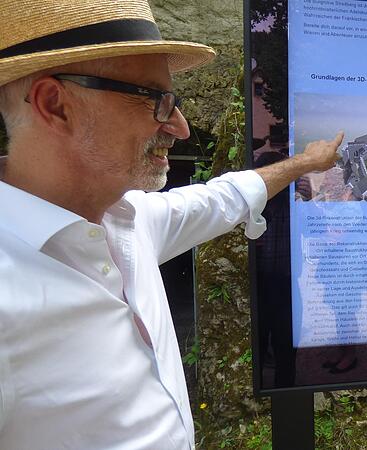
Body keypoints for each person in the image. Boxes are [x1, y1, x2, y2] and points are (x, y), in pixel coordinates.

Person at [0, 1, 342, 449]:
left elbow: (226, 196)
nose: (180, 127)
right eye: (155, 101)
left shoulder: (133, 219)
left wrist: (306, 163)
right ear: (56, 104)